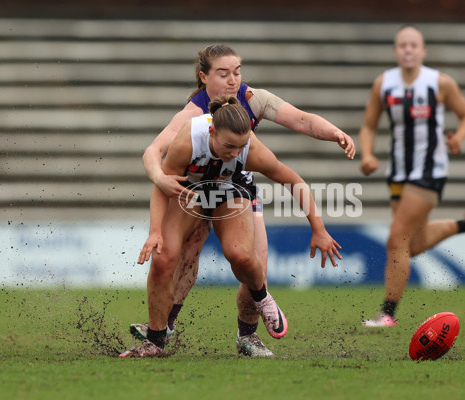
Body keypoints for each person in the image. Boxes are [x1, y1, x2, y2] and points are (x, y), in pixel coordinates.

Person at [130, 44, 355, 357]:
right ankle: (160, 332)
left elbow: (301, 123)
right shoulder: (192, 122)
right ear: (203, 77)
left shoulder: (253, 106)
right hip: (193, 190)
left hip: (234, 188)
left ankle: (249, 332)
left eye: (236, 72)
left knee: (248, 259)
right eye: (223, 73)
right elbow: (153, 153)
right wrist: (159, 182)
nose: (232, 80)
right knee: (173, 254)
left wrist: (335, 133)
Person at [358, 25, 465, 328]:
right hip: (398, 172)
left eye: (413, 45)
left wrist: (459, 136)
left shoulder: (439, 83)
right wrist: (367, 154)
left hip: (430, 170)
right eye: (402, 45)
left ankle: (388, 314)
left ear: (423, 51)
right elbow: (369, 125)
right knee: (412, 244)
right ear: (396, 51)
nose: (408, 49)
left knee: (396, 238)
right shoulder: (384, 84)